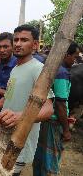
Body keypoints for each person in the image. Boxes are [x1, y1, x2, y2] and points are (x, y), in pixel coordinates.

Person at [0, 25, 54, 176]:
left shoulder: (38, 69)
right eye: (16, 40)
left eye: (24, 40)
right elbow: (7, 99)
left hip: (20, 142)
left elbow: (48, 109)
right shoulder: (15, 68)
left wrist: (20, 116)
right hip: (4, 136)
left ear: (35, 45)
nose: (18, 44)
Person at [33, 42, 80, 176]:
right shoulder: (62, 73)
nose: (76, 60)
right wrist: (66, 130)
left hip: (44, 119)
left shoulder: (51, 68)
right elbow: (60, 104)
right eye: (75, 57)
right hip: (53, 122)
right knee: (51, 161)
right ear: (66, 55)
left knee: (40, 158)